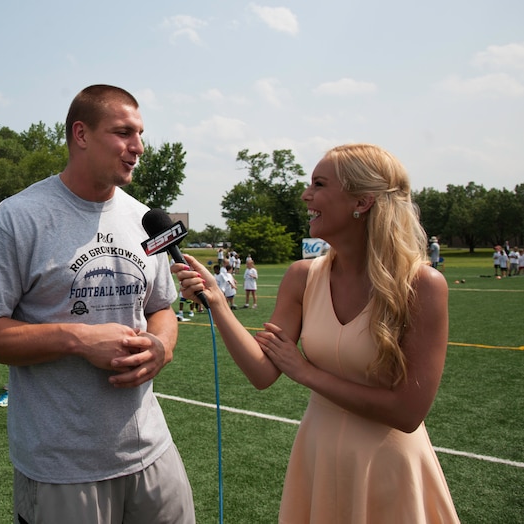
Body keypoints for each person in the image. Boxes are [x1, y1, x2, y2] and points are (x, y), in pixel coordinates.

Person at [173, 144, 459, 522]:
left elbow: (407, 412)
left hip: (387, 466)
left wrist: (307, 373)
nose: (306, 195)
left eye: (319, 184)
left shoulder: (423, 285)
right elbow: (262, 373)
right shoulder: (302, 276)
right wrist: (219, 305)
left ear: (362, 201)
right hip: (317, 453)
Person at [0, 85, 195, 523]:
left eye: (140, 134)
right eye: (124, 133)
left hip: (152, 451)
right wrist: (79, 339)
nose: (138, 147)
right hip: (62, 467)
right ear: (81, 134)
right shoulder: (17, 218)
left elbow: (162, 306)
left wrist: (163, 346)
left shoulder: (142, 218)